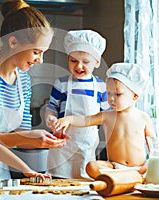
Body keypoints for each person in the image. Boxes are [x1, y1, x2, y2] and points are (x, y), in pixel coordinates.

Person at [0, 0, 68, 179]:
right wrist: (28, 137)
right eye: (37, 52)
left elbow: (21, 133)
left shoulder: (23, 79)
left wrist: (47, 139)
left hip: (0, 171)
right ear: (13, 42)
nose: (41, 60)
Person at [53, 62, 156, 179]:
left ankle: (128, 177)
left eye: (117, 94)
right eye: (109, 93)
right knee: (91, 166)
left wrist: (150, 163)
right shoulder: (108, 116)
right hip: (114, 167)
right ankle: (124, 178)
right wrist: (69, 119)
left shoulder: (143, 117)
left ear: (135, 96)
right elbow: (86, 120)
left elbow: (154, 144)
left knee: (150, 167)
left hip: (139, 167)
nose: (111, 98)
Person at [45, 30, 110, 179]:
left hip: (86, 147)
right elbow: (51, 108)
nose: (79, 66)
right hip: (62, 146)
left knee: (84, 182)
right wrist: (51, 118)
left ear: (97, 62)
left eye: (85, 62)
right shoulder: (61, 83)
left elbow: (107, 119)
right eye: (73, 61)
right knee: (59, 184)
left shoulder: (101, 87)